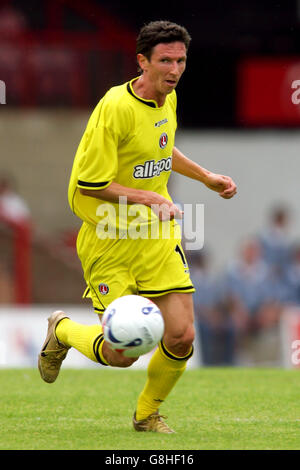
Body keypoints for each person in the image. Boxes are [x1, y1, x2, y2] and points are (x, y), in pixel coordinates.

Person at [38, 20, 237, 433]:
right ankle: (63, 330)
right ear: (142, 61)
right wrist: (151, 198)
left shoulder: (169, 98)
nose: (176, 69)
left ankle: (146, 415)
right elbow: (90, 184)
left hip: (155, 235)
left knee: (182, 337)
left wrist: (206, 176)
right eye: (166, 60)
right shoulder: (114, 108)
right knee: (121, 355)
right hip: (110, 236)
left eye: (181, 60)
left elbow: (162, 148)